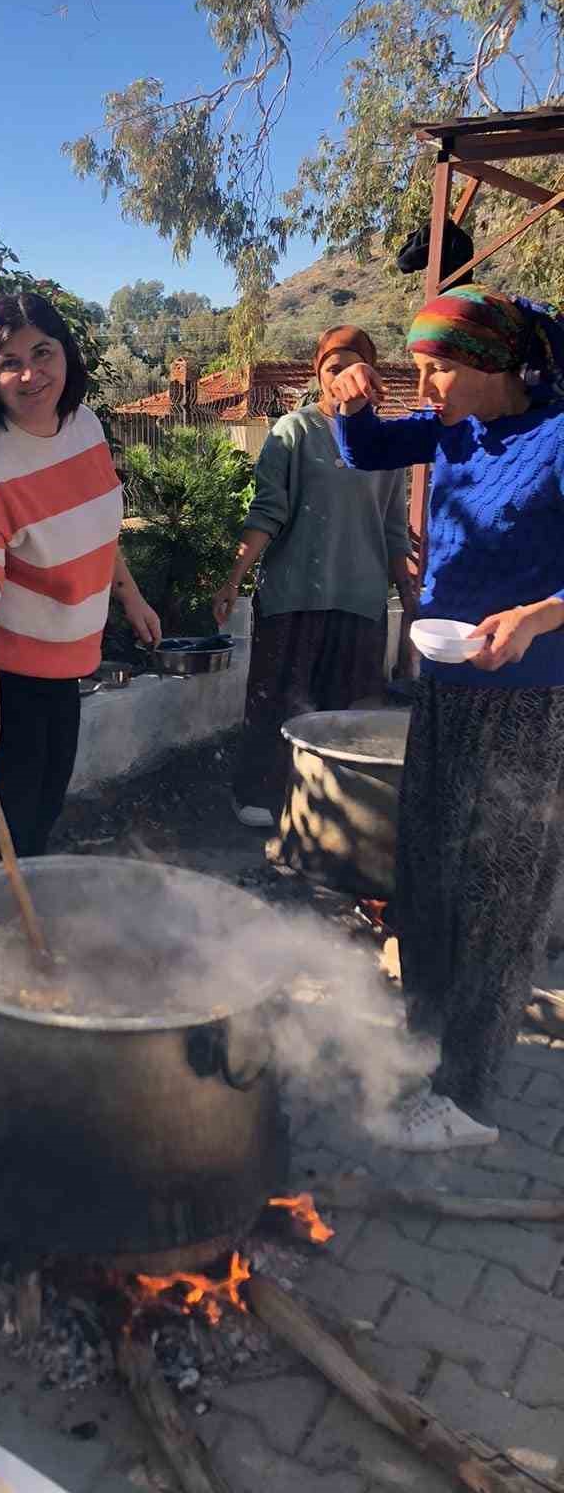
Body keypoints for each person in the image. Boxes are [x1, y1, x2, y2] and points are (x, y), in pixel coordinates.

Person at [330, 285, 564, 1152]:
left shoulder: (556, 438)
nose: (423, 386)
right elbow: (365, 452)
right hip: (445, 683)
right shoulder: (456, 430)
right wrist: (351, 402)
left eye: (437, 370)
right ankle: (424, 1044)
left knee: (498, 895)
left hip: (528, 700)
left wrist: (538, 615)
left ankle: (468, 1100)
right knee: (425, 873)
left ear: (495, 365)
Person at [0, 291, 161, 861]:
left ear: (67, 354)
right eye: (8, 362)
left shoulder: (83, 424)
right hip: (7, 678)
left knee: (39, 824)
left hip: (66, 668)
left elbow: (96, 523)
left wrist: (129, 595)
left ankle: (16, 940)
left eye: (42, 353)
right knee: (4, 842)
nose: (30, 374)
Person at [213, 325, 417, 828]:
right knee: (278, 703)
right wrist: (233, 578)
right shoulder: (294, 432)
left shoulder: (387, 446)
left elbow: (394, 528)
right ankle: (260, 793)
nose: (342, 378)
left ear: (369, 376)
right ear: (318, 374)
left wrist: (411, 596)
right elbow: (267, 512)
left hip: (362, 599)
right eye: (332, 368)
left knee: (348, 714)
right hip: (295, 594)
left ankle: (332, 812)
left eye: (353, 367)